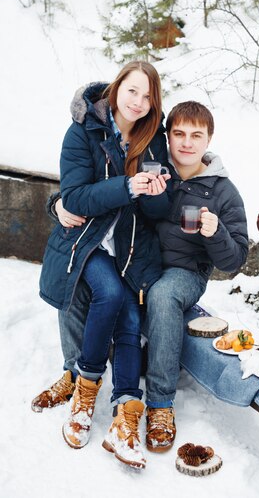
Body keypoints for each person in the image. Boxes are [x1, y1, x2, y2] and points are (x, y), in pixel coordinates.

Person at [34, 100, 248, 453]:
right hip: (136, 263)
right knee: (79, 273)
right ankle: (74, 373)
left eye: (197, 135)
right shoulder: (152, 166)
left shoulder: (222, 190)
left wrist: (216, 232)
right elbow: (97, 191)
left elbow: (235, 259)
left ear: (209, 139)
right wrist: (56, 204)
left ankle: (161, 404)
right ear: (168, 135)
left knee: (163, 295)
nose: (187, 143)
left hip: (181, 273)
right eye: (178, 133)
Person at [36, 61, 171, 469]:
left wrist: (156, 192)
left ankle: (125, 416)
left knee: (129, 316)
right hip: (87, 241)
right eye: (132, 91)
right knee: (108, 294)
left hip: (129, 248)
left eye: (148, 96)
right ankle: (86, 391)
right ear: (115, 89)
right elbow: (74, 197)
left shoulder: (152, 139)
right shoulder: (84, 131)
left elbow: (158, 211)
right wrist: (127, 187)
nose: (139, 102)